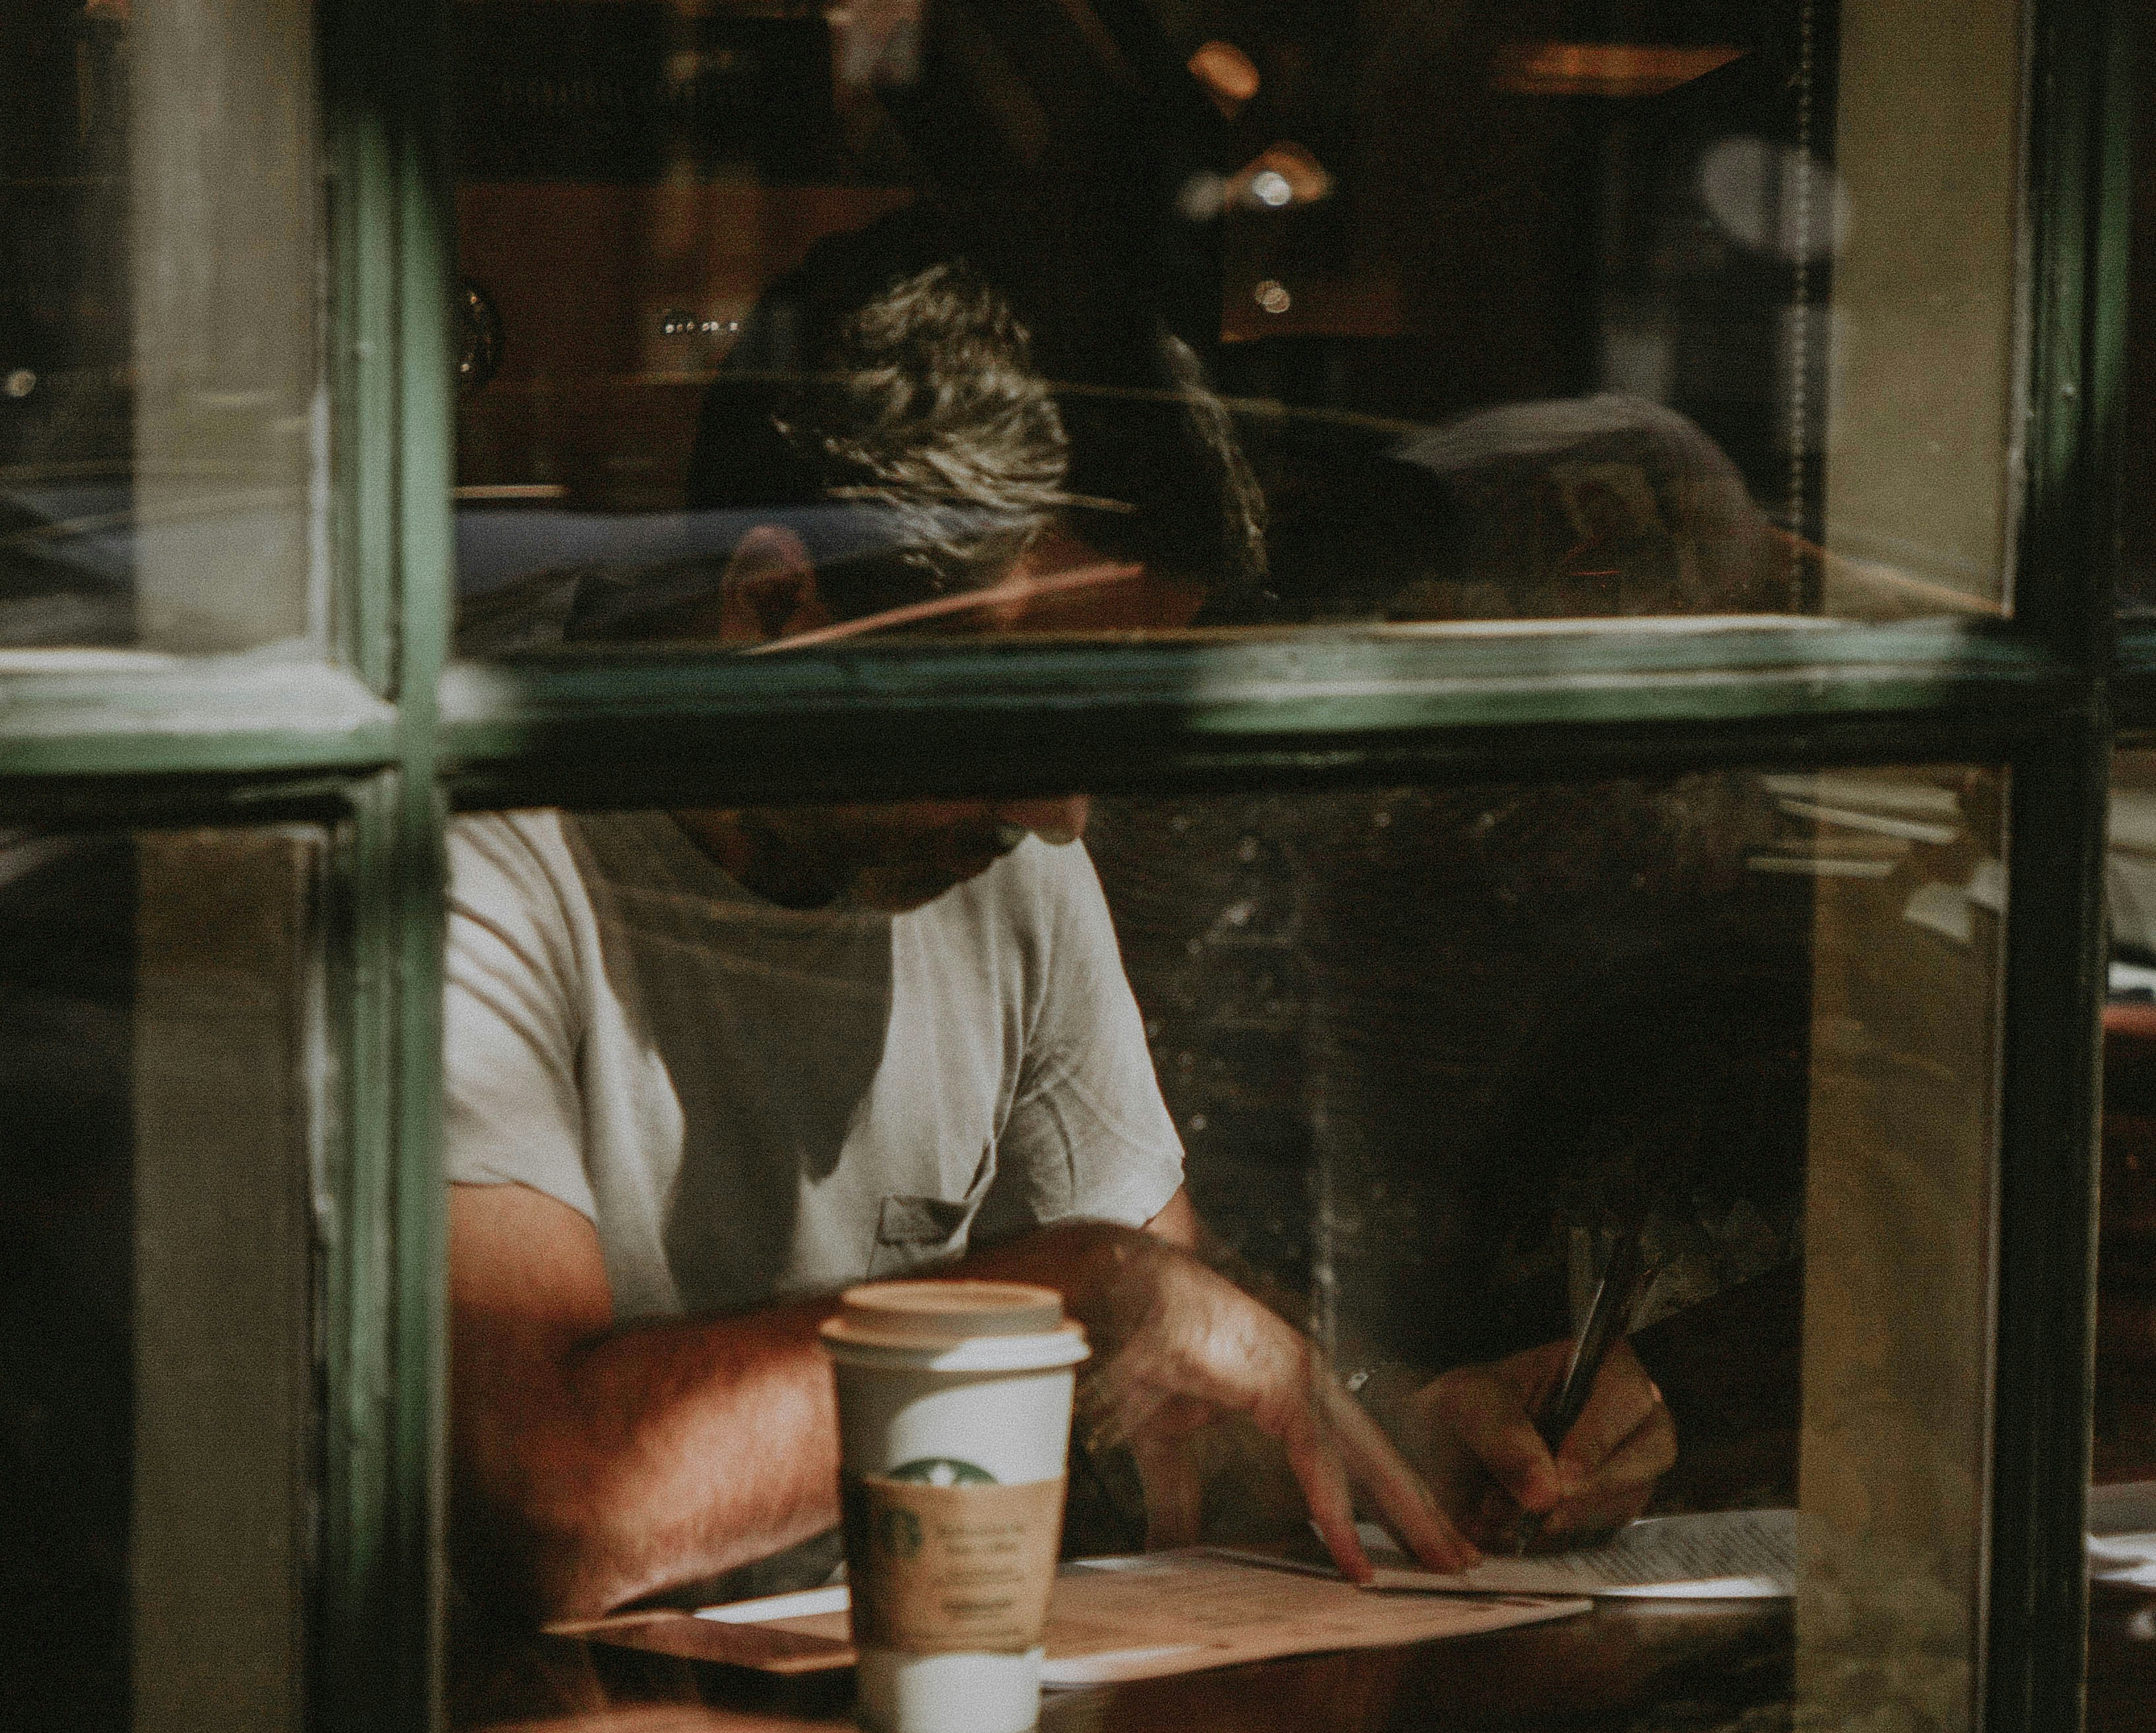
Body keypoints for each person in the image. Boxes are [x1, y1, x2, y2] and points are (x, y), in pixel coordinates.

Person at [446, 256, 1674, 1629]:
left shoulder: (1001, 857)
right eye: (1021, 716)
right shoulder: (478, 849)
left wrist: (1408, 1440)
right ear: (778, 613)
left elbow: (1181, 1394)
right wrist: (1061, 1302)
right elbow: (549, 1502)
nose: (1060, 811)